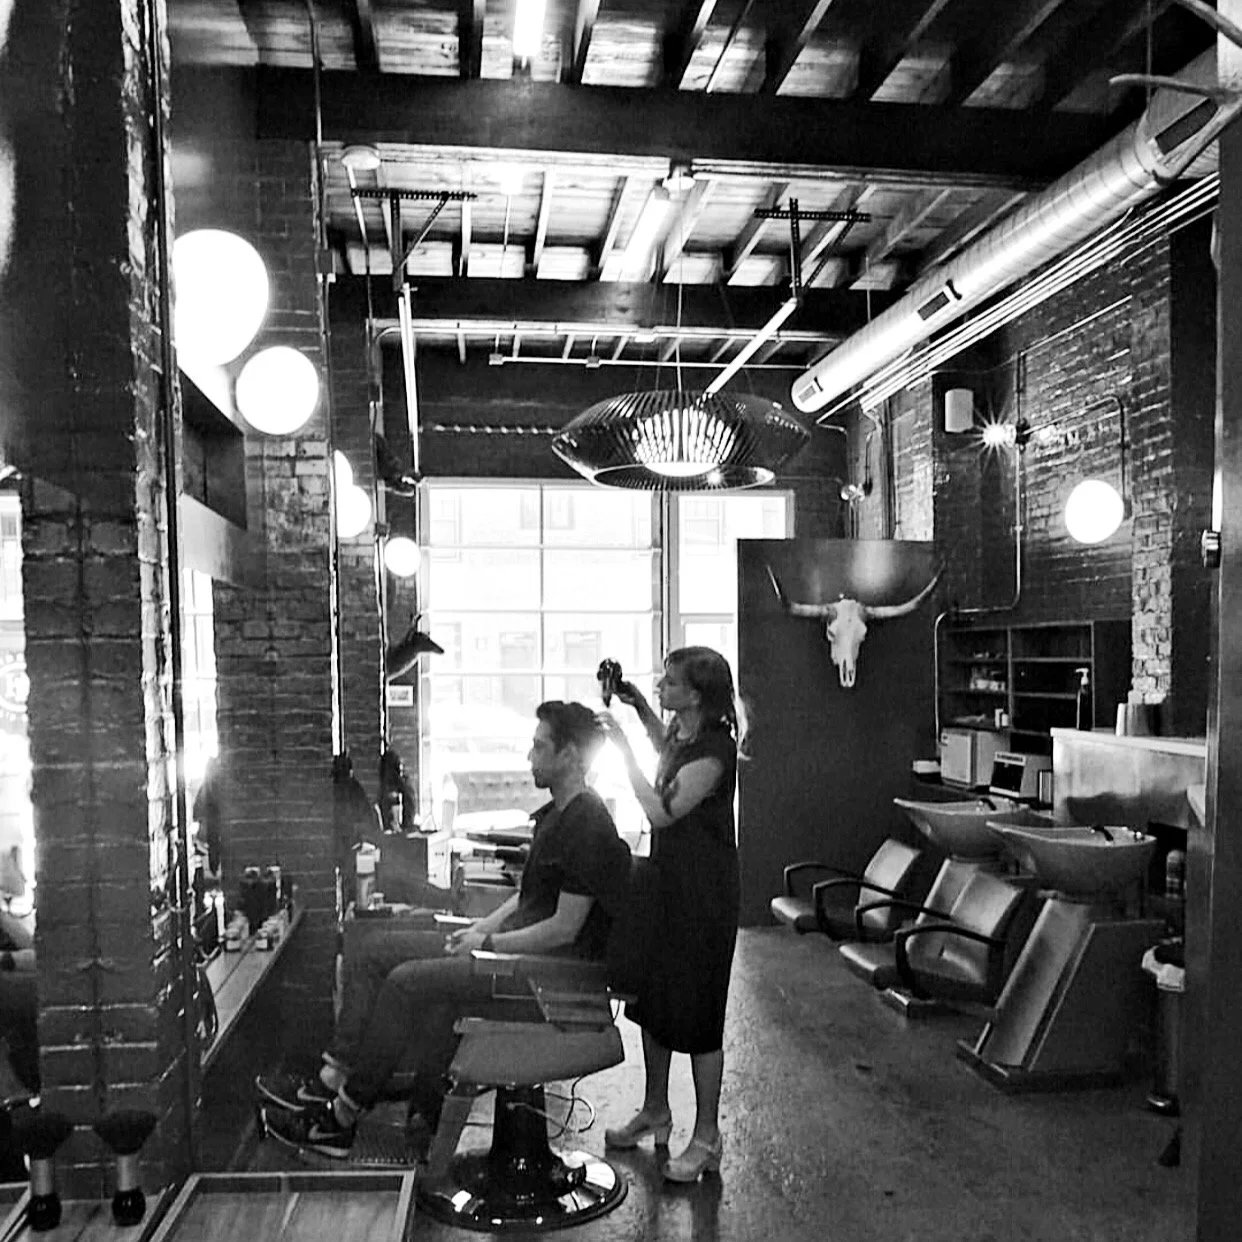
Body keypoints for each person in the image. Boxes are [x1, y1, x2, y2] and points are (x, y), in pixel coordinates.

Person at [261, 700, 632, 1158]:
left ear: (571, 756)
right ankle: (333, 1078)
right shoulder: (558, 817)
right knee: (374, 952)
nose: (529, 757)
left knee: (405, 983)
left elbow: (564, 929)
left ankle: (339, 1119)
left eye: (539, 747)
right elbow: (528, 897)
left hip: (543, 979)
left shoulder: (588, 824)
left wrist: (488, 944)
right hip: (512, 956)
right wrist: (478, 928)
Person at [597, 646, 742, 1183]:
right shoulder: (685, 734)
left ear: (696, 693)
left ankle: (707, 1137)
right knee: (654, 1005)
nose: (661, 685)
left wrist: (621, 755)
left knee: (701, 1018)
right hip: (668, 886)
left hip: (704, 895)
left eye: (669, 681)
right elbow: (666, 744)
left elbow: (660, 811)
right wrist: (634, 703)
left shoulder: (715, 751)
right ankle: (655, 1109)